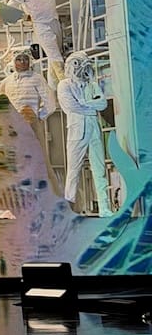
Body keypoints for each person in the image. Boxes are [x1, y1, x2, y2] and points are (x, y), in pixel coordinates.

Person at [0, 49, 60, 197]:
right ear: (14, 61)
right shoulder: (6, 82)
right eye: (19, 59)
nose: (23, 62)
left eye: (25, 59)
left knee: (39, 162)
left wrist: (37, 116)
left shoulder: (37, 79)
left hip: (31, 126)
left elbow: (51, 103)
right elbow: (0, 104)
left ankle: (49, 199)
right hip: (12, 128)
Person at [57, 51, 113, 215]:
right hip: (77, 129)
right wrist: (90, 106)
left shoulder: (91, 84)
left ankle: (104, 207)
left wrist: (84, 102)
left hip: (94, 128)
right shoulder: (65, 85)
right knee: (73, 170)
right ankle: (69, 209)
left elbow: (102, 104)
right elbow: (70, 106)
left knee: (99, 168)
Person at [7, 0, 69, 83]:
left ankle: (53, 88)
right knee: (55, 56)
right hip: (41, 25)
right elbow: (11, 6)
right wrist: (24, 16)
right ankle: (66, 85)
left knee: (55, 55)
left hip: (54, 21)